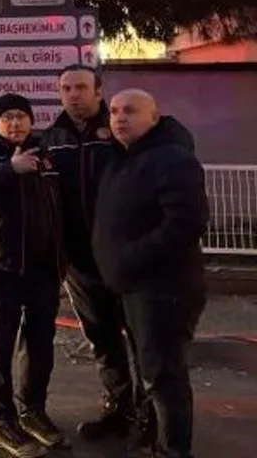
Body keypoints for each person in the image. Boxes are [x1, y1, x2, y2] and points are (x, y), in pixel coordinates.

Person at [94, 89, 209, 458]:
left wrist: (130, 258)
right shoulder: (123, 159)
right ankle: (151, 442)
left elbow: (185, 223)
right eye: (113, 111)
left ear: (155, 117)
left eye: (130, 111)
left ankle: (174, 450)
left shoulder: (172, 160)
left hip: (162, 288)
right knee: (149, 369)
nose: (119, 118)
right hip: (132, 286)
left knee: (164, 376)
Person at [0, 94, 68, 458]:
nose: (16, 123)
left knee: (39, 345)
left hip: (42, 269)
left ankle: (33, 411)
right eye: (8, 117)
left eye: (22, 117)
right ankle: (2, 422)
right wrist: (10, 169)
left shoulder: (46, 151)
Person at [38, 64, 133, 440]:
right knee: (103, 337)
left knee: (143, 337)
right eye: (66, 88)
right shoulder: (50, 138)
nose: (73, 94)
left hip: (125, 256)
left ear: (98, 92)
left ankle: (151, 415)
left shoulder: (119, 134)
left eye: (81, 87)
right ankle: (119, 409)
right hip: (77, 260)